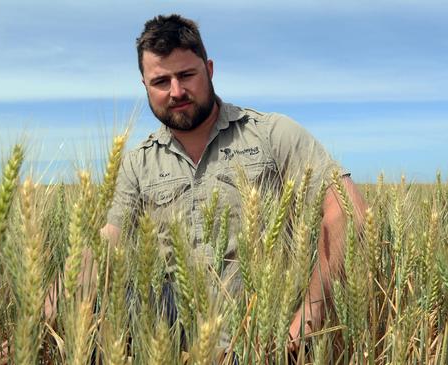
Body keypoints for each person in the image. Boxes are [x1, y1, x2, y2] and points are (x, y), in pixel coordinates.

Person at [102, 13, 367, 352]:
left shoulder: (271, 133)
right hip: (174, 349)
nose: (176, 91)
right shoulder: (138, 161)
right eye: (160, 82)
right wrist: (41, 313)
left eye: (186, 75)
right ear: (144, 86)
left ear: (209, 70)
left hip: (264, 344)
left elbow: (350, 210)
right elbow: (105, 246)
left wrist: (309, 316)